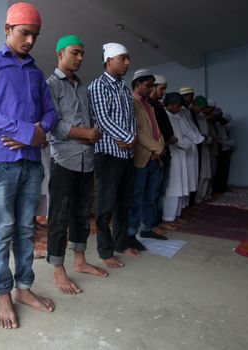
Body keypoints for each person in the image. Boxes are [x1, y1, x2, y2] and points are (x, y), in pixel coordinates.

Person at [0, 2, 57, 330]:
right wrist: (25, 133)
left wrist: (37, 136)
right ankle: (3, 293)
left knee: (25, 230)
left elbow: (50, 113)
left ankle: (24, 288)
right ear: (7, 30)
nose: (30, 41)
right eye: (24, 33)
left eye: (34, 35)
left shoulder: (36, 73)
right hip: (1, 161)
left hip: (31, 163)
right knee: (2, 230)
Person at [45, 35, 106, 295]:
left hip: (87, 160)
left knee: (82, 214)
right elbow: (52, 125)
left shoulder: (83, 88)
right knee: (59, 216)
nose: (80, 58)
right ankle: (58, 270)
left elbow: (90, 119)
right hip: (64, 160)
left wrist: (95, 132)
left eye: (82, 53)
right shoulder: (50, 85)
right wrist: (84, 133)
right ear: (61, 54)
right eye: (75, 53)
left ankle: (79, 261)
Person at [88, 42, 140, 269]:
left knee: (124, 203)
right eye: (123, 58)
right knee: (105, 205)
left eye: (128, 58)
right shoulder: (98, 86)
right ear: (109, 60)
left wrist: (132, 139)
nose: (127, 63)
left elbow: (131, 121)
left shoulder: (124, 88)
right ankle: (105, 250)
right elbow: (102, 119)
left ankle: (120, 243)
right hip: (107, 155)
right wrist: (128, 138)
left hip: (126, 155)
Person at [128, 69, 166, 246]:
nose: (151, 89)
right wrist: (157, 149)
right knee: (136, 197)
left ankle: (147, 228)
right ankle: (131, 234)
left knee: (151, 196)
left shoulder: (148, 104)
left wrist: (161, 146)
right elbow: (139, 132)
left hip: (154, 156)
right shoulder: (131, 102)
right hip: (142, 157)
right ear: (137, 84)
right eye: (148, 85)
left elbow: (156, 129)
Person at [148, 74, 178, 232]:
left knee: (161, 190)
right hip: (156, 153)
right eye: (162, 88)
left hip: (165, 150)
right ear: (153, 87)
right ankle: (151, 224)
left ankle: (158, 221)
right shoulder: (149, 105)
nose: (164, 92)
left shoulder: (157, 105)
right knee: (153, 191)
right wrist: (157, 149)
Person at [162, 93, 193, 223]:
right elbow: (172, 139)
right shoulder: (165, 116)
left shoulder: (176, 117)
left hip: (181, 154)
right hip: (173, 155)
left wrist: (185, 144)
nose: (180, 109)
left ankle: (176, 215)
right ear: (173, 105)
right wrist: (183, 144)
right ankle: (168, 217)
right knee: (172, 187)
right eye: (179, 106)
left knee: (179, 186)